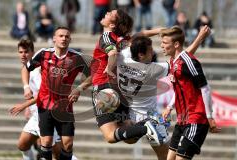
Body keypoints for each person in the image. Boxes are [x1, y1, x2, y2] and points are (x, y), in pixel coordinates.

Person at [115, 25, 212, 159]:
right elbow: (182, 59)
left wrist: (156, 32)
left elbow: (135, 37)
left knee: (128, 139)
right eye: (151, 51)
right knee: (165, 156)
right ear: (141, 54)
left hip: (129, 117)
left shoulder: (123, 57)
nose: (154, 53)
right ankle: (146, 128)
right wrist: (199, 38)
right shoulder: (154, 69)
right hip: (150, 118)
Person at [91, 9, 163, 146]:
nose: (107, 13)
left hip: (104, 89)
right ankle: (146, 123)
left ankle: (146, 127)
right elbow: (142, 34)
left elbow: (111, 53)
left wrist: (109, 68)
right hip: (119, 90)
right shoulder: (123, 40)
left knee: (110, 136)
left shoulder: (106, 36)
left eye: (111, 14)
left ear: (112, 25)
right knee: (129, 138)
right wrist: (161, 30)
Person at [22, 27, 90, 160]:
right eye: (60, 36)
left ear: (70, 39)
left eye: (66, 36)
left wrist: (79, 88)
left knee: (68, 144)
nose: (64, 38)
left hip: (65, 107)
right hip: (45, 105)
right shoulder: (44, 54)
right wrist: (26, 87)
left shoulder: (76, 58)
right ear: (54, 38)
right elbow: (26, 68)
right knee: (46, 142)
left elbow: (93, 74)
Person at [10, 39, 79, 160]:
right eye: (20, 52)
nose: (23, 55)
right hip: (36, 115)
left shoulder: (38, 71)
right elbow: (25, 74)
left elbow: (43, 95)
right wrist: (27, 94)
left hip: (48, 112)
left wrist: (23, 106)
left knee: (56, 152)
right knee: (23, 145)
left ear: (33, 53)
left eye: (26, 52)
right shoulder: (27, 69)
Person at [160, 26, 221, 160]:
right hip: (182, 120)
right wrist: (170, 107)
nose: (161, 46)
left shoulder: (189, 62)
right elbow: (180, 88)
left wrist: (209, 116)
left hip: (196, 119)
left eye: (165, 43)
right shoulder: (173, 62)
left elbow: (205, 88)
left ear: (176, 44)